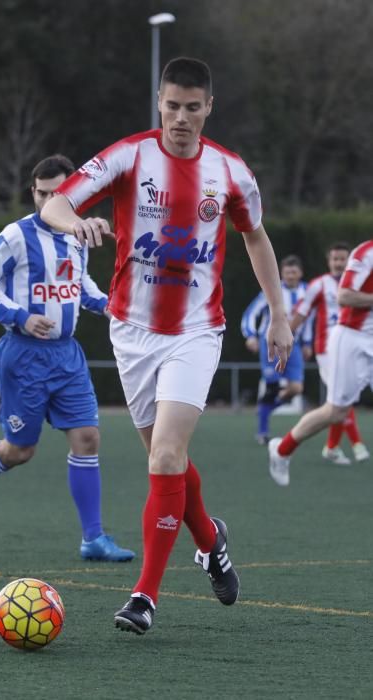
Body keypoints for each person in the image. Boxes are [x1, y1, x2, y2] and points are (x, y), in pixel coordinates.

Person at [41, 57, 293, 634]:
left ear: (209, 108)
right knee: (166, 461)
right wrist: (71, 223)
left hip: (197, 332)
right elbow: (57, 203)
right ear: (159, 101)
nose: (181, 117)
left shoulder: (230, 172)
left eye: (192, 107)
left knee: (166, 457)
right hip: (131, 332)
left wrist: (279, 312)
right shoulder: (129, 155)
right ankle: (210, 540)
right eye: (172, 105)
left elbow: (255, 237)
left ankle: (144, 597)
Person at [0, 154, 135, 563]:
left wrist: (112, 305)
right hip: (23, 357)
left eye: (57, 194)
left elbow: (80, 286)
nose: (48, 203)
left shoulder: (77, 237)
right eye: (42, 194)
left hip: (68, 356)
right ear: (33, 193)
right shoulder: (16, 235)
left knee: (87, 438)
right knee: (20, 450)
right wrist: (20, 317)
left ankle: (93, 538)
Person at [268, 239, 373, 487]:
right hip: (350, 339)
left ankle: (348, 446)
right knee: (336, 411)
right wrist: (287, 336)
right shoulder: (366, 252)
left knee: (341, 410)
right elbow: (344, 295)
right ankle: (282, 450)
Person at [291, 242, 369, 465]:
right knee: (342, 399)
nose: (338, 263)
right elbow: (302, 312)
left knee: (341, 400)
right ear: (328, 261)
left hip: (354, 345)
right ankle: (357, 444)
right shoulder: (319, 284)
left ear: (349, 260)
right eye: (334, 259)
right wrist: (286, 334)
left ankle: (332, 447)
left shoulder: (361, 282)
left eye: (342, 259)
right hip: (327, 348)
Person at [241, 255, 313, 445]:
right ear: (282, 273)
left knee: (296, 388)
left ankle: (264, 408)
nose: (290, 276)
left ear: (300, 273)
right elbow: (251, 313)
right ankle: (263, 431)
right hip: (271, 345)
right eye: (287, 272)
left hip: (294, 345)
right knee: (272, 387)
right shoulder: (272, 290)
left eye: (294, 272)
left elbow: (308, 319)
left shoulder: (307, 291)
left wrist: (307, 343)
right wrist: (251, 335)